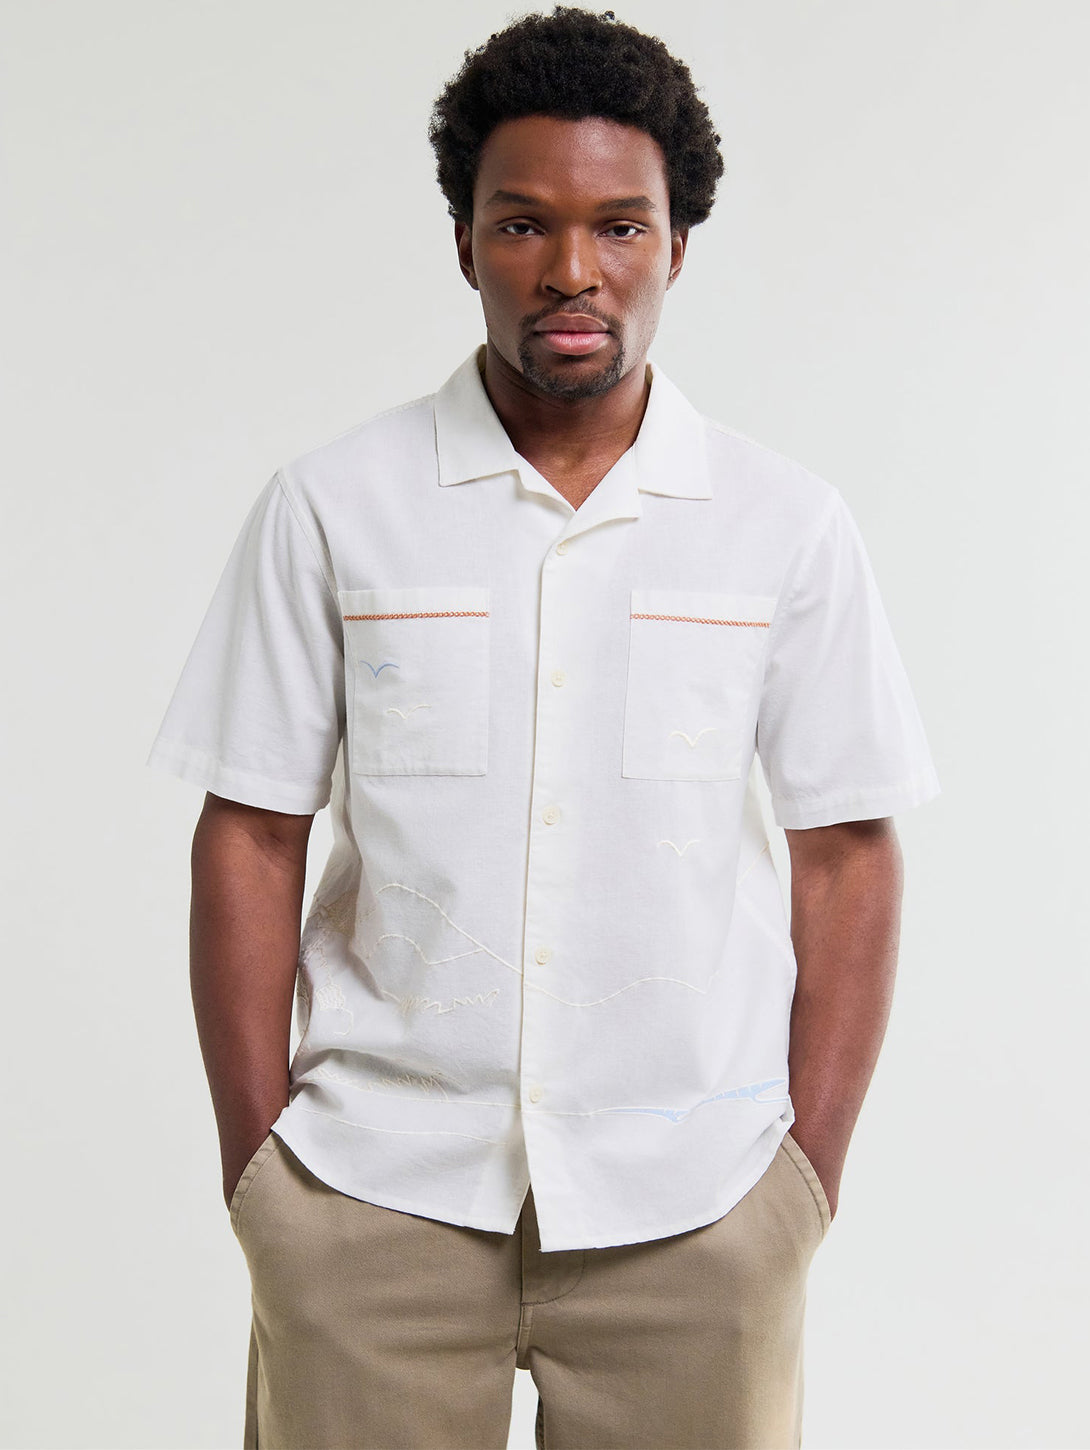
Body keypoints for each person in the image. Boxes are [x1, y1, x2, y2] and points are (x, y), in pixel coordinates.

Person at [146, 7, 941, 1447]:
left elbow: (846, 857)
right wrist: (264, 1178)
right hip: (372, 1198)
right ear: (464, 242)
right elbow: (251, 835)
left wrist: (798, 1189)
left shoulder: (784, 526)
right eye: (523, 224)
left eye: (618, 226)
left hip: (696, 1209)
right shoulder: (334, 505)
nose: (572, 269)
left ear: (676, 247)